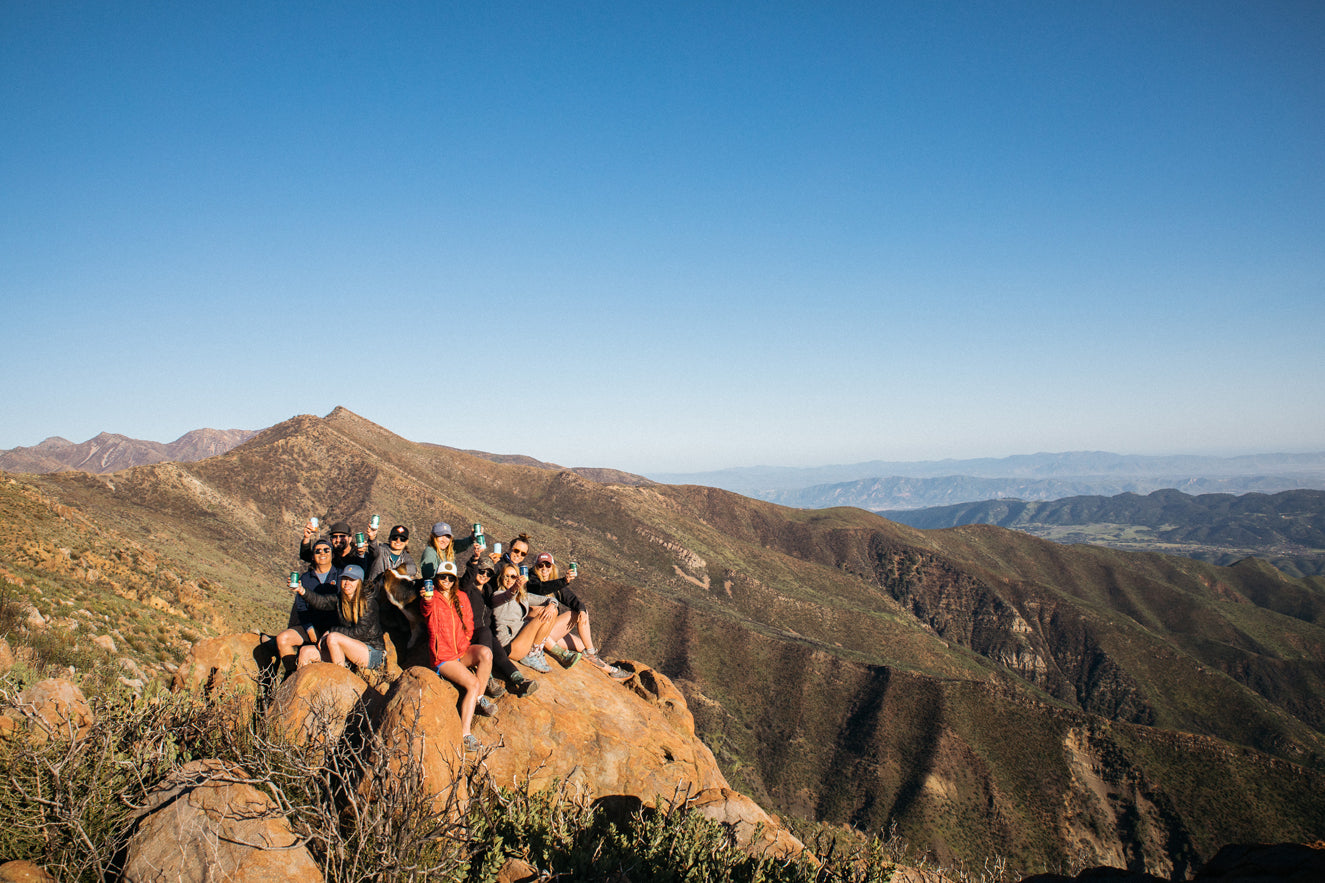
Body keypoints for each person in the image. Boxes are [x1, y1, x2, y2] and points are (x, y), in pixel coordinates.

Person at [420, 561, 496, 752]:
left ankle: (477, 699)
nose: (446, 580)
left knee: (486, 653)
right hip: (443, 657)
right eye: (442, 576)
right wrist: (427, 599)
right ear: (437, 578)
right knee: (472, 683)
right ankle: (465, 734)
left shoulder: (461, 596)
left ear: (455, 580)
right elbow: (426, 610)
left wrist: (467, 638)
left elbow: (469, 621)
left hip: (461, 650)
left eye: (450, 577)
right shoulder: (432, 598)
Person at [528, 552, 629, 679]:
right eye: (540, 565)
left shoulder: (554, 583)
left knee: (582, 645)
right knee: (573, 615)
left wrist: (582, 610)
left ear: (552, 567)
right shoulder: (531, 581)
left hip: (550, 631)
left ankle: (610, 670)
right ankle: (592, 655)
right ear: (536, 567)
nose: (544, 569)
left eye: (547, 565)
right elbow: (540, 589)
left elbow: (572, 600)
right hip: (538, 632)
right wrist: (563, 581)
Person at [461, 556, 539, 697]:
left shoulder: (488, 589)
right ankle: (488, 679)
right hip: (470, 634)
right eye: (481, 571)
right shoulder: (467, 588)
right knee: (486, 632)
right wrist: (474, 559)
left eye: (488, 573)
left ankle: (520, 681)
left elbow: (504, 580)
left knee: (500, 654)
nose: (484, 575)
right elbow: (467, 578)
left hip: (486, 635)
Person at [292, 564, 386, 672]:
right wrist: (301, 590)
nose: (347, 583)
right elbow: (321, 601)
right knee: (305, 651)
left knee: (333, 638)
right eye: (344, 578)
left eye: (352, 580)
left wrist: (331, 631)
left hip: (372, 652)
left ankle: (341, 682)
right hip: (345, 650)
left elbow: (360, 632)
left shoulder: (369, 602)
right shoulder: (340, 599)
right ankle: (300, 686)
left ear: (359, 582)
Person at [486, 562, 573, 674]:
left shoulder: (522, 596)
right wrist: (515, 587)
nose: (509, 579)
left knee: (552, 610)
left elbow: (547, 600)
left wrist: (552, 604)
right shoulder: (497, 595)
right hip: (510, 645)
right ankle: (531, 655)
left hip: (521, 637)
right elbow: (507, 596)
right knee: (543, 613)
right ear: (501, 578)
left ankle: (536, 651)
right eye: (506, 576)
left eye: (513, 576)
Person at [274, 538, 340, 674]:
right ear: (312, 556)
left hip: (333, 629)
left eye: (327, 550)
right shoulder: (305, 578)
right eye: (318, 551)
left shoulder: (340, 575)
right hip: (311, 627)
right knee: (282, 639)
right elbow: (301, 607)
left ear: (333, 554)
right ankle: (293, 673)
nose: (322, 553)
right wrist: (309, 628)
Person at [299, 519, 367, 572]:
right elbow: (306, 556)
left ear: (350, 538)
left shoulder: (359, 555)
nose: (338, 540)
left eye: (342, 536)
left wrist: (361, 554)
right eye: (334, 537)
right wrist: (307, 538)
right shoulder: (329, 554)